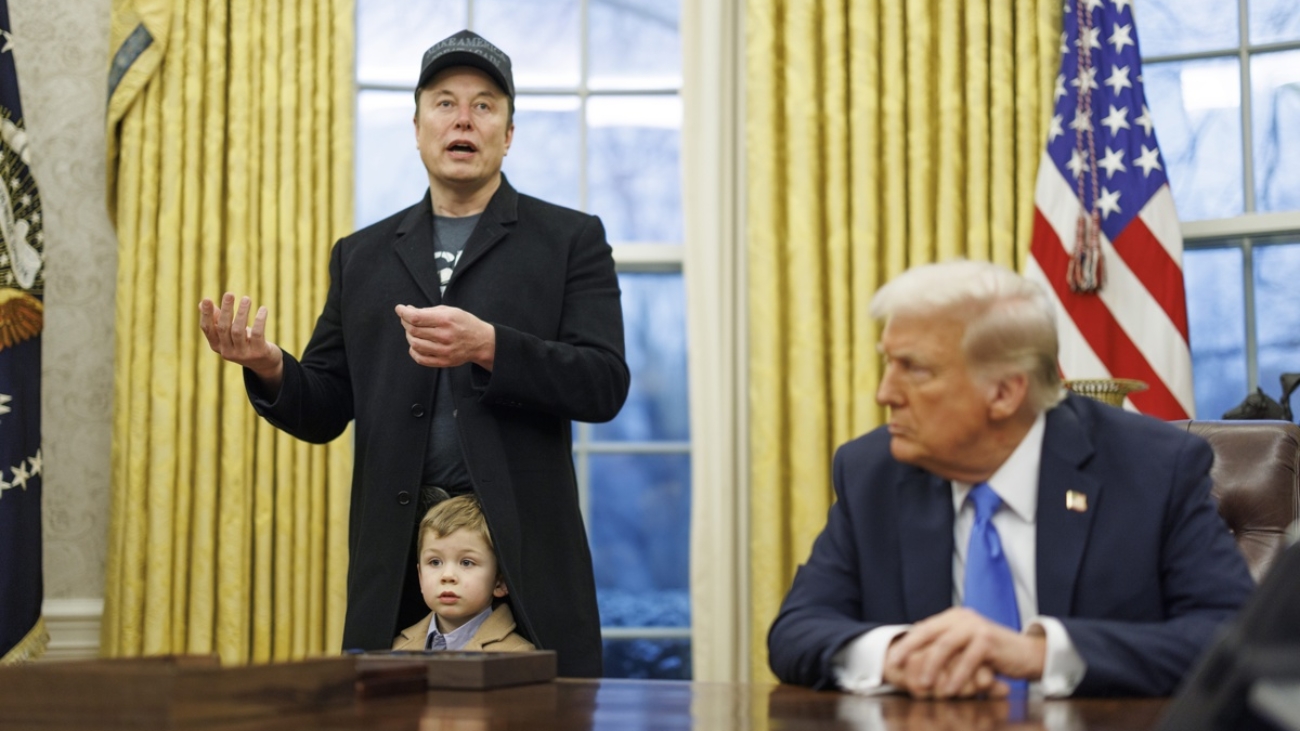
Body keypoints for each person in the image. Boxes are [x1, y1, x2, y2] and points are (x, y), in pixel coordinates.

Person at [198, 29, 628, 677]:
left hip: (524, 553)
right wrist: (269, 365)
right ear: (418, 125)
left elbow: (603, 383)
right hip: (396, 555)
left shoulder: (569, 239)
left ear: (508, 134)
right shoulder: (363, 255)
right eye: (445, 102)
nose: (463, 118)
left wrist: (490, 346)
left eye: (484, 105)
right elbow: (326, 406)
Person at [767, 259, 1255, 698]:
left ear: (1003, 393)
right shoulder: (871, 472)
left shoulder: (1152, 467)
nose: (884, 392)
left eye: (913, 369)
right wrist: (897, 655)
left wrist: (1038, 653)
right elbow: (797, 630)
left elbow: (1233, 638)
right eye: (887, 362)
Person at [391, 495, 534, 652]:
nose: (447, 576)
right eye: (435, 562)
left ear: (500, 581)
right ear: (420, 576)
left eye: (467, 562)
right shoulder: (397, 647)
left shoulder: (517, 655)